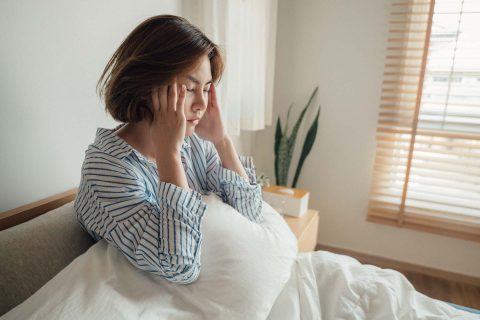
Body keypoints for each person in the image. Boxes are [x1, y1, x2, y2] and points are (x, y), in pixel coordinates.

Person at [74, 15, 263, 285]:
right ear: (145, 85)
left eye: (207, 89)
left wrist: (222, 141)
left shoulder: (193, 142)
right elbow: (181, 267)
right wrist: (169, 155)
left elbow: (252, 216)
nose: (201, 103)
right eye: (189, 89)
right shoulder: (106, 169)